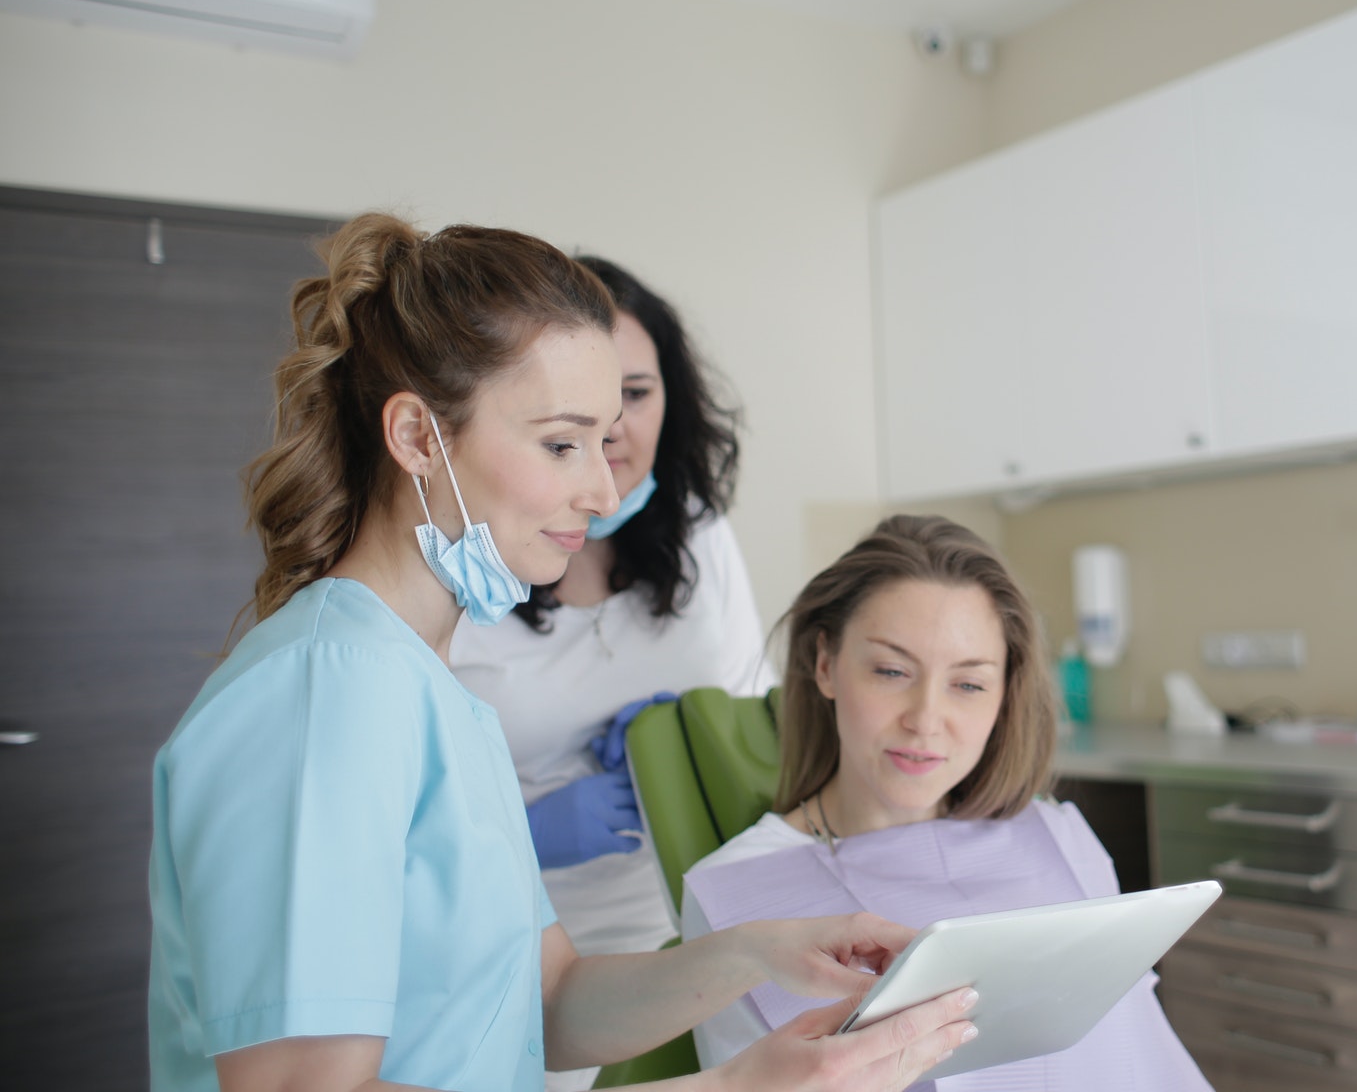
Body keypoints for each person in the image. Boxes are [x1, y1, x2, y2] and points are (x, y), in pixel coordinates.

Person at [148, 215, 977, 1092]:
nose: (604, 486)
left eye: (605, 437)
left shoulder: (433, 692)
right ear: (419, 438)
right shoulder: (325, 694)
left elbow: (547, 1002)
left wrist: (764, 951)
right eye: (561, 444)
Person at [680, 515, 1210, 1090]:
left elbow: (1142, 1050)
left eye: (969, 684)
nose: (926, 720)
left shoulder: (1057, 835)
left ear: (1006, 693)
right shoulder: (736, 893)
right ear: (826, 664)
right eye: (890, 670)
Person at [449, 258, 768, 1047]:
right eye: (580, 408)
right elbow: (405, 825)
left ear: (674, 401)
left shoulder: (701, 535)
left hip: (703, 927)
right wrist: (527, 834)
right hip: (529, 947)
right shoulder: (465, 569)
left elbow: (759, 705)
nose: (612, 427)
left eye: (635, 393)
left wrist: (700, 727)